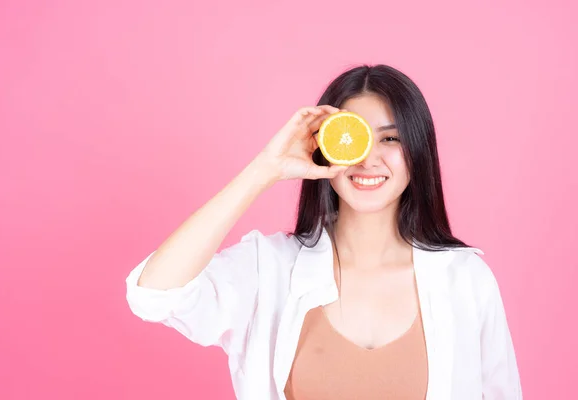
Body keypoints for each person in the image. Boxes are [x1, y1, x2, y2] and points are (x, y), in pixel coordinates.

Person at [125, 65, 522, 399]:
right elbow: (153, 295)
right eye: (352, 138)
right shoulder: (269, 270)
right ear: (324, 147)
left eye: (390, 138)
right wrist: (265, 169)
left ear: (417, 151)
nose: (368, 158)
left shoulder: (466, 280)